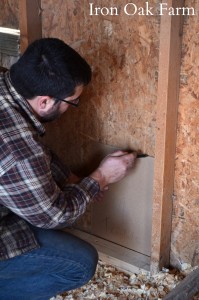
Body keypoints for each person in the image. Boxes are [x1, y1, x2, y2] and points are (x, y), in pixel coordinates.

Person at [0, 38, 136, 299]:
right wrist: (101, 177)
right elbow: (55, 216)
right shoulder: (19, 154)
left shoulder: (7, 88)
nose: (72, 108)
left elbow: (32, 154)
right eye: (72, 101)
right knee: (80, 264)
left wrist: (72, 179)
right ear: (45, 102)